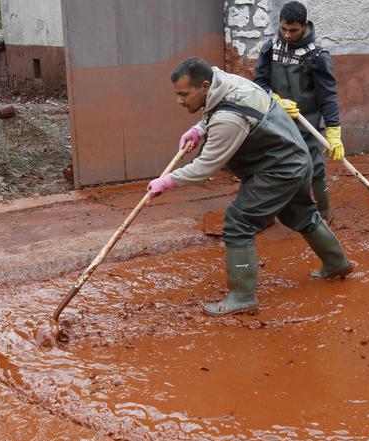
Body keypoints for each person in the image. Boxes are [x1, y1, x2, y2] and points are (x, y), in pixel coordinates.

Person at [147, 57, 353, 317]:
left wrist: (166, 182)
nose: (180, 101)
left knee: (238, 222)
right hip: (296, 158)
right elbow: (214, 112)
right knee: (300, 214)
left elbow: (206, 167)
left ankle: (242, 297)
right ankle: (337, 263)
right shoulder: (228, 82)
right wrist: (199, 129)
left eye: (184, 94)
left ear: (205, 86)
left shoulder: (228, 119)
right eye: (177, 94)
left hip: (278, 170)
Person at [253, 0, 343, 223]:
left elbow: (328, 96)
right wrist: (273, 99)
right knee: (273, 165)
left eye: (293, 30)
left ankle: (323, 213)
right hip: (276, 119)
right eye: (283, 28)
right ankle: (270, 213)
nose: (287, 35)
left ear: (304, 26)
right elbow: (260, 82)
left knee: (315, 168)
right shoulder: (270, 48)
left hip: (308, 122)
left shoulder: (317, 56)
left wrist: (333, 131)